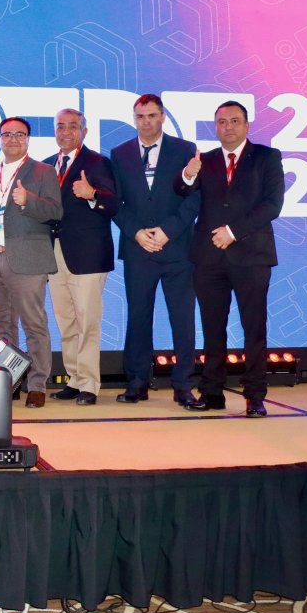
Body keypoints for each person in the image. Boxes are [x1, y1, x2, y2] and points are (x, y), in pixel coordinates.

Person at [174, 100, 284, 417]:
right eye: (222, 122)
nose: (228, 127)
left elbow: (272, 205)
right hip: (209, 258)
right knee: (212, 329)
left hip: (252, 256)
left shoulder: (266, 157)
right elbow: (181, 190)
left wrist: (233, 232)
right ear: (216, 127)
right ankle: (212, 393)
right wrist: (188, 174)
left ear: (247, 125)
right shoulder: (204, 160)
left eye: (235, 121)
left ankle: (255, 396)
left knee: (254, 329)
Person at [110, 94, 202, 407]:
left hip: (178, 250)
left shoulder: (185, 150)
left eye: (152, 115)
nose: (146, 122)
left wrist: (167, 231)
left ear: (162, 116)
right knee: (138, 318)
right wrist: (137, 233)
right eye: (140, 116)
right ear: (134, 118)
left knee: (183, 319)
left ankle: (184, 385)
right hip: (138, 250)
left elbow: (194, 198)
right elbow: (116, 203)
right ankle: (136, 382)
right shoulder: (120, 153)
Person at [0, 117, 62, 408]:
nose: (13, 139)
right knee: (3, 325)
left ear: (28, 139)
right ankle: (7, 382)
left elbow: (55, 211)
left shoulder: (44, 171)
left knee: (34, 324)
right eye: (7, 134)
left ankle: (37, 384)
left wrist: (28, 200)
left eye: (19, 134)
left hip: (27, 259)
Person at [43, 108, 118, 405]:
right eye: (60, 126)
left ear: (84, 131)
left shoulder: (98, 162)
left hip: (88, 255)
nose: (65, 132)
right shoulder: (46, 166)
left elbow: (114, 204)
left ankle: (89, 384)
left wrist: (92, 194)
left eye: (72, 126)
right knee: (66, 320)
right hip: (54, 253)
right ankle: (73, 379)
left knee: (87, 321)